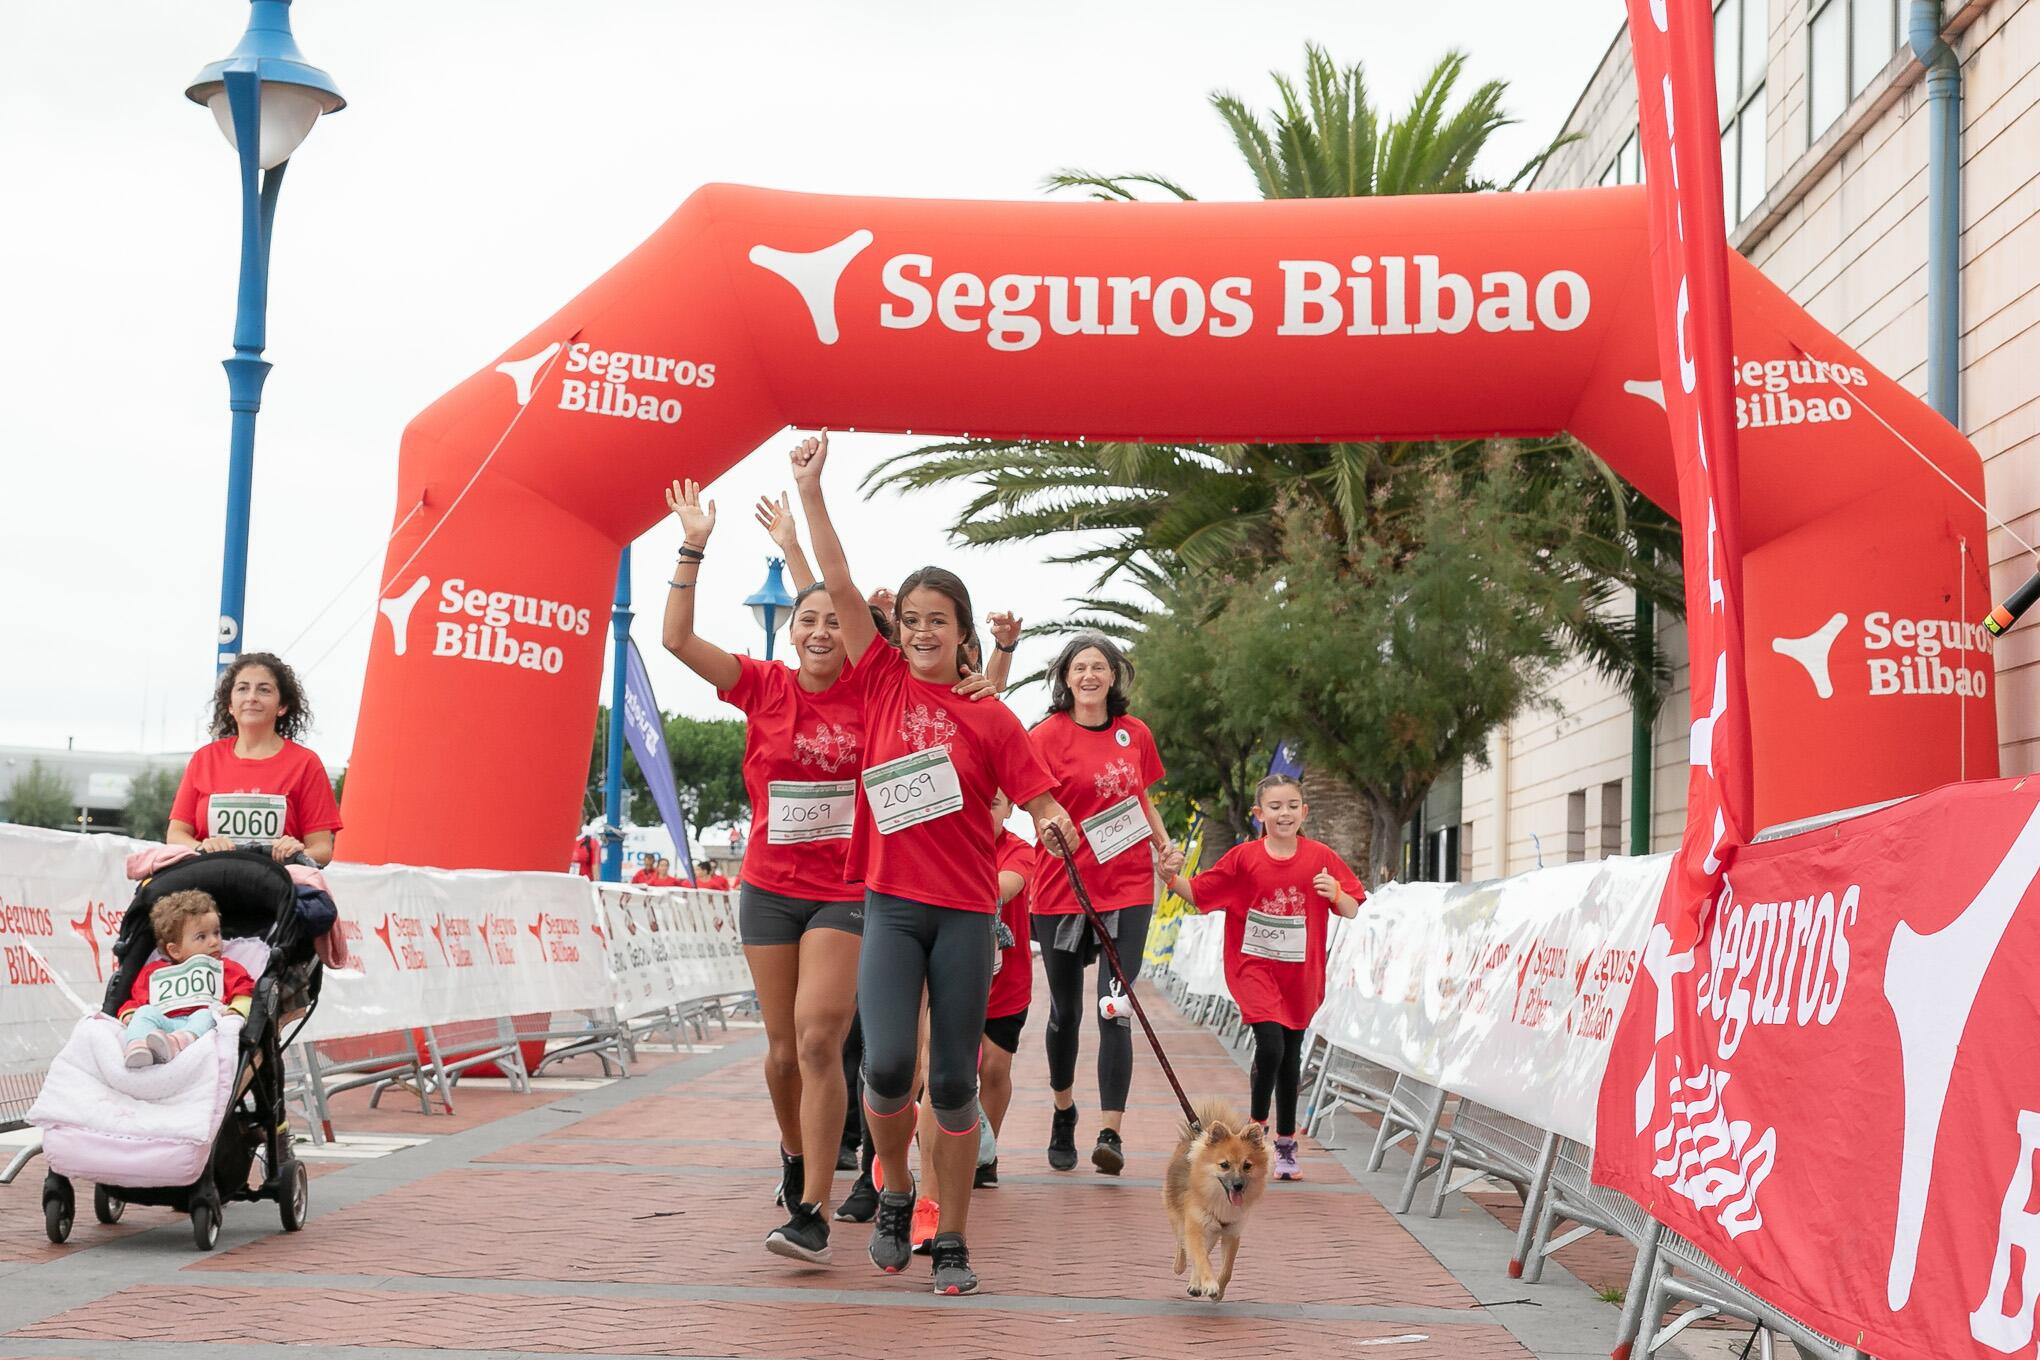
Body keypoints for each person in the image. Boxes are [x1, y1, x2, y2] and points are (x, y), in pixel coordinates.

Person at [660, 474, 1005, 1267]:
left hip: (853, 890)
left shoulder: (872, 686)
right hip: (769, 887)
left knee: (823, 1037)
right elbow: (678, 640)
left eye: (831, 622)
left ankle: (812, 1208)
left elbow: (951, 713)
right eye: (805, 619)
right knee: (784, 1049)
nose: (821, 629)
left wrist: (981, 673)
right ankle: (797, 1159)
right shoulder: (764, 686)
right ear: (789, 633)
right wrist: (693, 545)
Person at [793, 429, 1076, 1297]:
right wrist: (811, 493)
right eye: (910, 619)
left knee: (952, 1082)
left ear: (961, 635)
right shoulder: (876, 677)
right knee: (883, 1069)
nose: (920, 632)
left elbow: (1036, 798)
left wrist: (1056, 817)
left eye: (937, 622)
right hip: (889, 905)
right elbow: (838, 581)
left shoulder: (990, 717)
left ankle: (951, 1239)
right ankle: (894, 1191)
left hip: (962, 915)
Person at [1162, 773, 1364, 1181]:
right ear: (1259, 814)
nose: (1284, 813)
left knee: (1291, 1057)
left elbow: (1353, 907)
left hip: (1301, 975)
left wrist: (1335, 894)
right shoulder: (1244, 859)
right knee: (1270, 1045)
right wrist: (1168, 877)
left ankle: (1286, 1146)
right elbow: (1200, 892)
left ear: (1304, 811)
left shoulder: (1320, 857)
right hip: (1253, 968)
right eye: (1275, 807)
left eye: (1292, 805)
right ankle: (1257, 1131)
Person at [1020, 631, 1171, 1175]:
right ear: (1065, 678)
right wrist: (1050, 824)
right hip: (1062, 887)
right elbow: (1030, 804)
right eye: (1079, 667)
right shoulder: (1044, 736)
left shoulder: (1136, 734)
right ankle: (1064, 1111)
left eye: (1099, 667)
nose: (1089, 676)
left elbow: (1144, 799)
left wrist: (1164, 846)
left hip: (1127, 886)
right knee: (1066, 1012)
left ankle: (1111, 1132)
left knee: (1116, 1008)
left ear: (1114, 676)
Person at [168, 652, 340, 867]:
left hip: (279, 886)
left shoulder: (306, 763)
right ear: (230, 705)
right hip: (208, 880)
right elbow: (176, 835)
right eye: (242, 688)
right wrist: (203, 847)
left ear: (282, 706)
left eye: (264, 690)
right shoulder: (204, 759)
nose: (251, 697)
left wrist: (297, 851)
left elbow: (322, 850)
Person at [117, 889, 255, 1068]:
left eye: (217, 932)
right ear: (175, 950)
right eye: (201, 937)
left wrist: (236, 1011)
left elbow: (245, 992)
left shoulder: (225, 968)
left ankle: (179, 1042)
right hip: (162, 1026)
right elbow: (135, 1002)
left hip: (200, 1028)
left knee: (206, 1015)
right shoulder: (154, 973)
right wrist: (130, 1015)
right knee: (145, 1013)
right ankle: (138, 1047)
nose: (214, 941)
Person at [976, 791, 1035, 1188]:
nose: (985, 811)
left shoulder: (1019, 850)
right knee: (946, 1072)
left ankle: (985, 1153)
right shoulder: (946, 846)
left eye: (994, 803)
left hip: (1006, 982)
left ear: (1010, 808)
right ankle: (953, 1144)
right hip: (950, 978)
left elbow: (1004, 886)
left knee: (994, 1068)